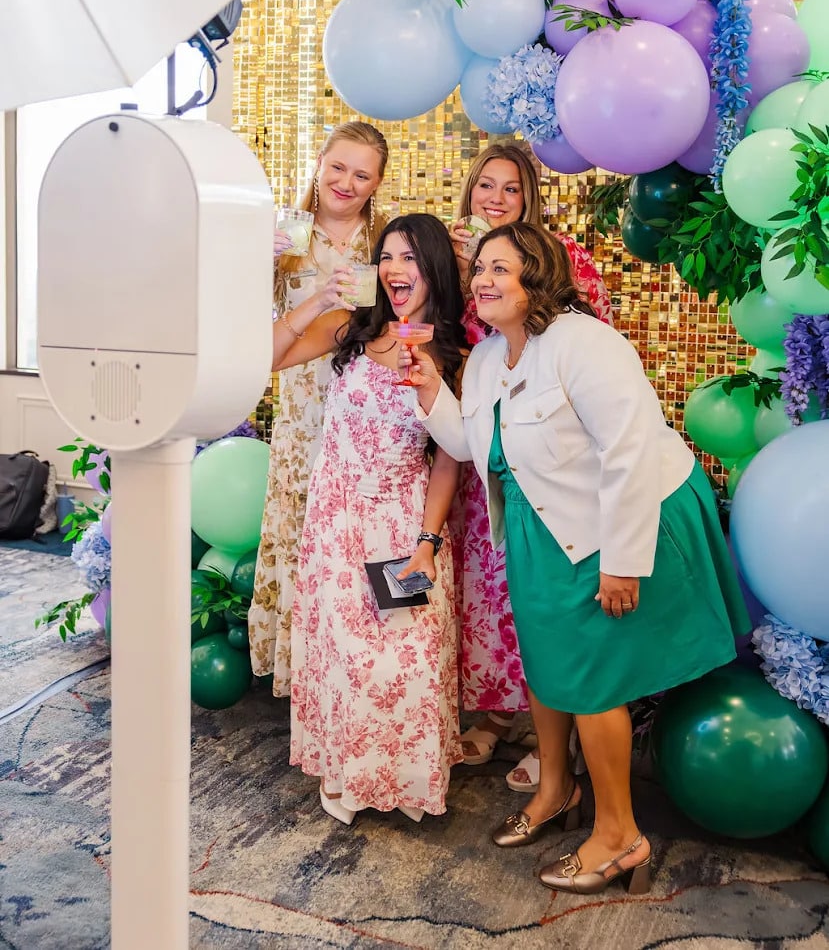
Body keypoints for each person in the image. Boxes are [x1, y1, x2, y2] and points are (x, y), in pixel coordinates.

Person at [403, 222, 749, 893]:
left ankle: (619, 836)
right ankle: (556, 792)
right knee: (546, 668)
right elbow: (476, 448)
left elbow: (627, 453)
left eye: (501, 267)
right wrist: (428, 392)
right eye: (480, 268)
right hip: (540, 531)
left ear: (537, 276)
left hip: (615, 521)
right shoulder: (482, 359)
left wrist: (623, 560)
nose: (482, 279)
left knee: (591, 683)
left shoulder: (585, 343)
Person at [270, 214, 466, 823]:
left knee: (405, 659)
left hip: (403, 526)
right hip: (336, 526)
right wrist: (315, 302)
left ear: (433, 267)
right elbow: (265, 359)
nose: (394, 269)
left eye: (409, 257)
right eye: (387, 256)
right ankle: (348, 778)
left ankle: (408, 783)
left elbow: (449, 460)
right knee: (346, 659)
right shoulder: (352, 329)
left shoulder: (452, 352)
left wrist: (428, 543)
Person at [447, 140, 613, 793]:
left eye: (509, 188)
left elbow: (589, 333)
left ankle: (557, 749)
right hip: (479, 448)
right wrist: (455, 274)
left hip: (547, 454)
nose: (494, 197)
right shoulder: (460, 258)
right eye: (484, 184)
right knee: (490, 593)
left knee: (544, 600)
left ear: (530, 199)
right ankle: (495, 718)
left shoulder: (560, 258)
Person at [249, 121, 388, 693]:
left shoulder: (383, 242)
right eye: (338, 167)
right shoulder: (283, 236)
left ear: (378, 183)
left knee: (357, 543)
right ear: (319, 164)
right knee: (303, 535)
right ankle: (306, 677)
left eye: (362, 174)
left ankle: (354, 673)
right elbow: (252, 331)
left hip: (367, 417)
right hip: (303, 415)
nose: (346, 182)